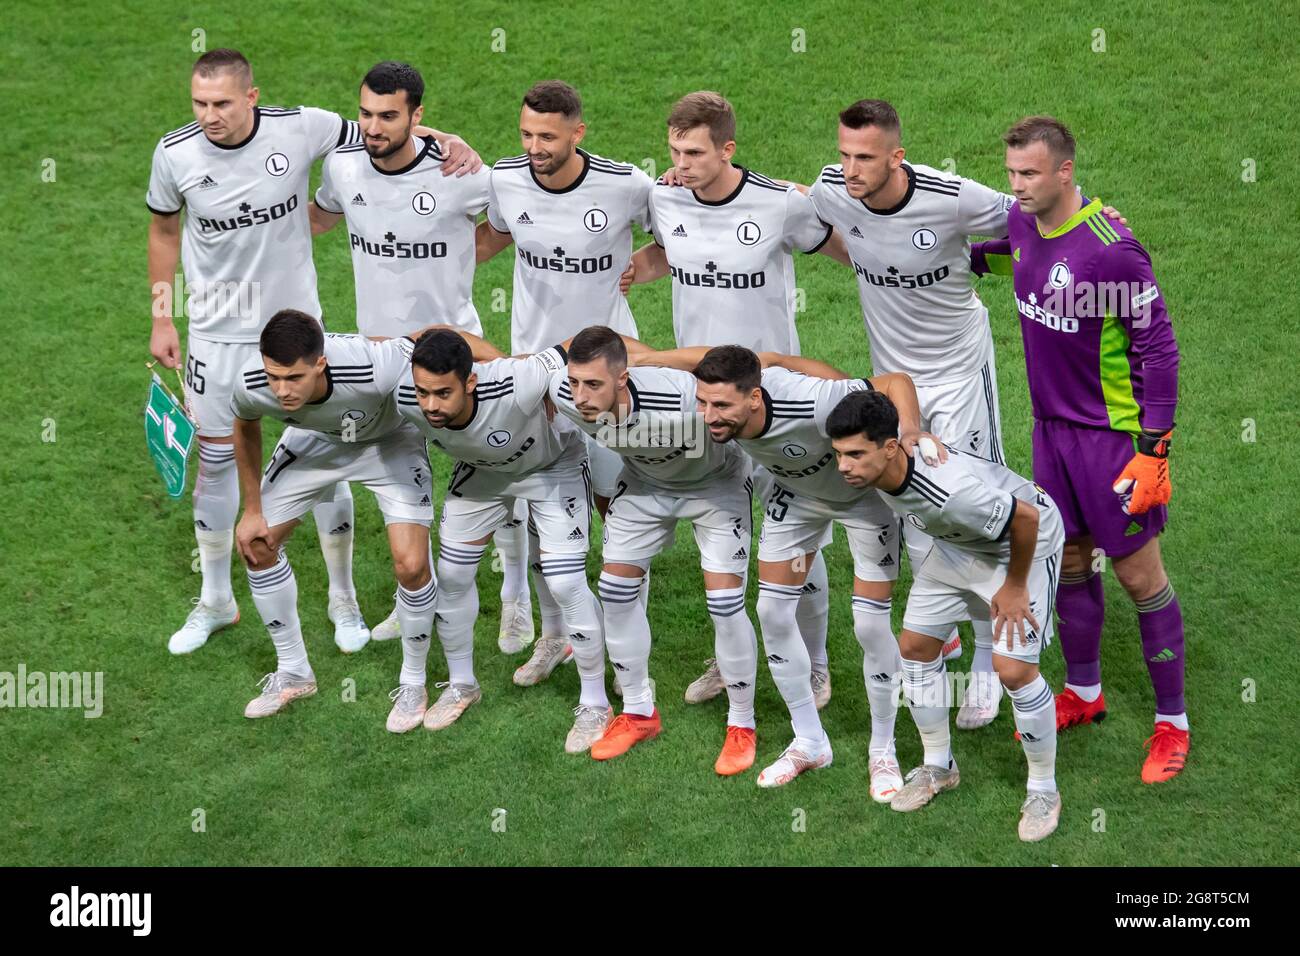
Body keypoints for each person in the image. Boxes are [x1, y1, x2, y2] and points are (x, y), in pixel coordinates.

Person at [828, 390, 1066, 841]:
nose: (844, 466)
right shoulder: (884, 465)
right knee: (915, 648)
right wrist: (913, 427)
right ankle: (939, 765)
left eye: (855, 454)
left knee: (1013, 671)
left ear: (889, 448)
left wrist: (1014, 588)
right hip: (957, 545)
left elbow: (1028, 519)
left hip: (1020, 547)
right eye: (838, 453)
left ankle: (1043, 790)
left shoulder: (948, 491)